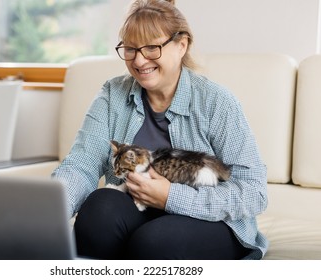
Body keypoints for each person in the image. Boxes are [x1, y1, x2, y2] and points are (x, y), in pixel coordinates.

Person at [52, 0, 268, 260]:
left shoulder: (216, 102)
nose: (140, 60)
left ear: (182, 45)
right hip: (140, 207)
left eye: (152, 48)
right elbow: (81, 164)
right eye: (130, 49)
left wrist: (171, 197)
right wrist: (47, 215)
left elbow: (254, 192)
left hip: (210, 219)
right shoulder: (113, 93)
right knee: (98, 211)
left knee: (155, 242)